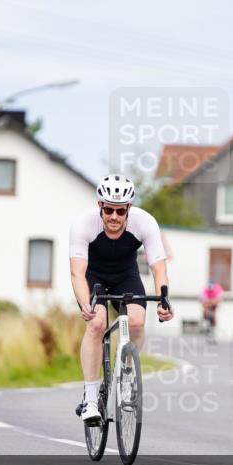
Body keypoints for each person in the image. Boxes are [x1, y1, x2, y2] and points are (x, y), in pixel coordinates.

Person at [69, 174, 174, 425]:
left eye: (119, 211)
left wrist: (163, 300)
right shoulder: (83, 224)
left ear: (129, 208)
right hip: (93, 278)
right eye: (108, 210)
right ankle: (91, 400)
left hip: (126, 276)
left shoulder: (145, 222)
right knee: (96, 324)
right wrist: (86, 304)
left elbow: (159, 268)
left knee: (136, 322)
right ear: (100, 206)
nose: (114, 217)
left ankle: (126, 376)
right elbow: (77, 272)